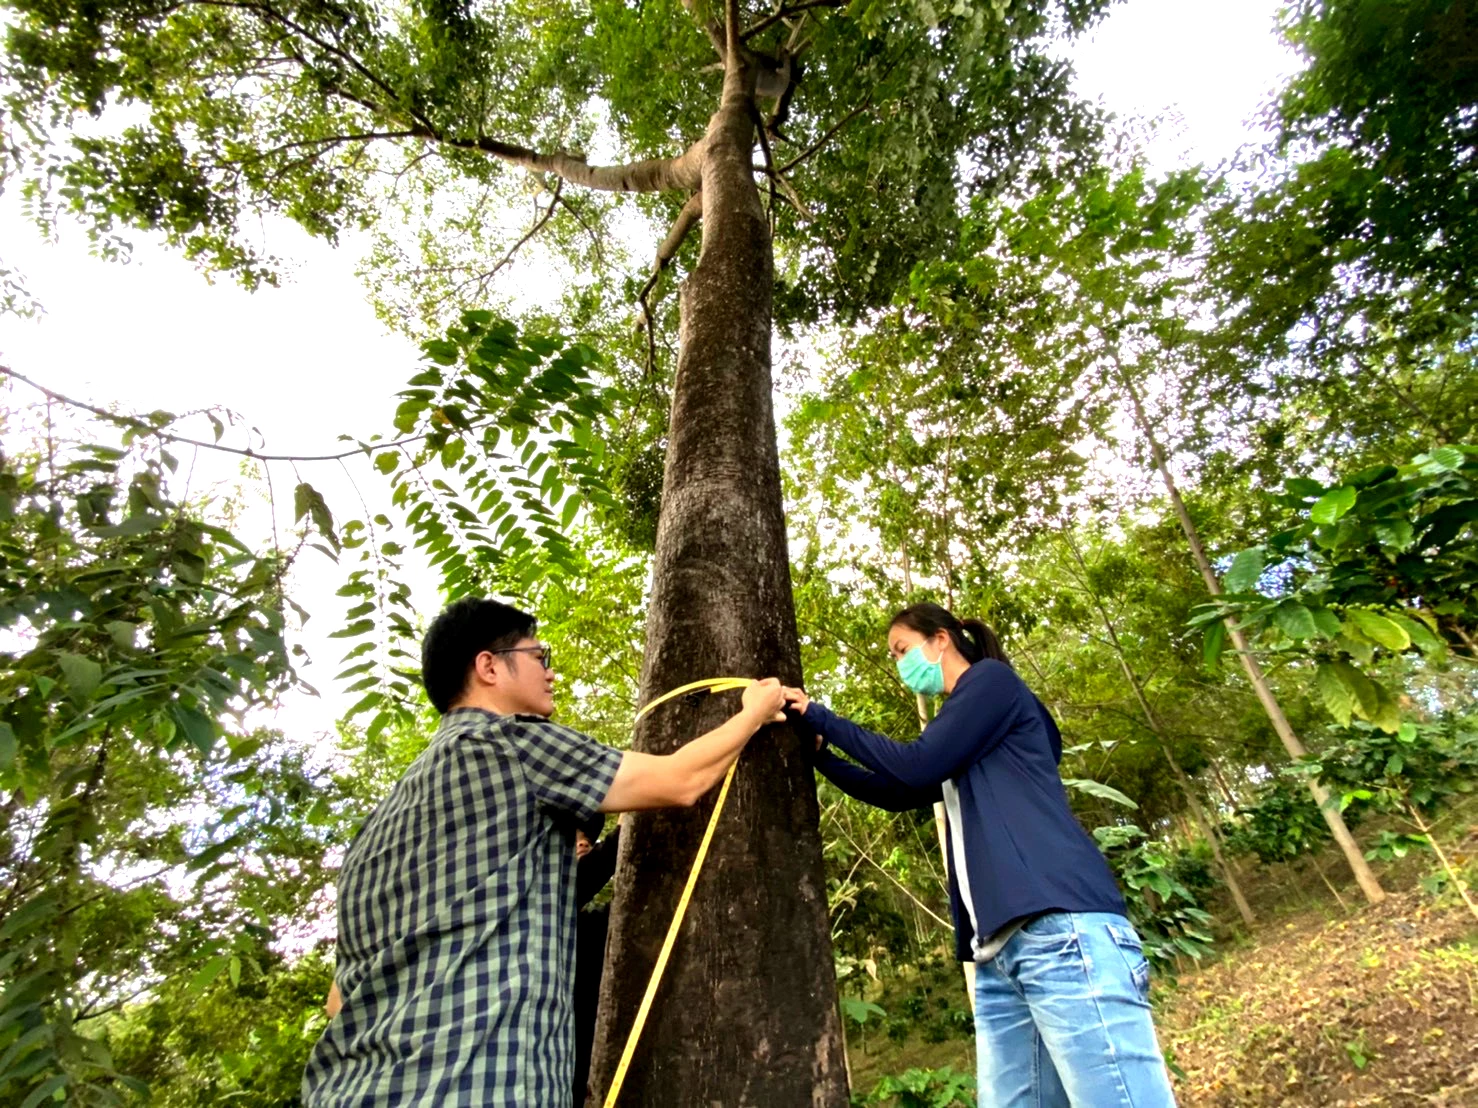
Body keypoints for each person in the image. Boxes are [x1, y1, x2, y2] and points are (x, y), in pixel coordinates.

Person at [303, 597, 786, 1107]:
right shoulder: (508, 743)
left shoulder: (373, 831)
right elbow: (680, 781)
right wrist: (753, 712)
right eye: (540, 657)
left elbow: (339, 1001)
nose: (551, 675)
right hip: (478, 1084)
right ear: (488, 665)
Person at [785, 602, 1176, 1108]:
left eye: (903, 649)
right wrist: (821, 756)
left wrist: (819, 714)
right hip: (999, 956)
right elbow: (897, 790)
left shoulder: (990, 683)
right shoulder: (965, 733)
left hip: (1058, 930)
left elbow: (917, 765)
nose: (901, 664)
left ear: (941, 639)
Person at [572, 816, 620, 1107]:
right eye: (574, 837)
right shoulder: (535, 909)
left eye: (587, 840)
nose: (583, 843)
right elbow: (584, 877)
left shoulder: (589, 927)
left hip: (591, 1066)